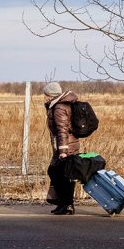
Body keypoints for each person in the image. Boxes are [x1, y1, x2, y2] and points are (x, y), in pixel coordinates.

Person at [43, 81, 78, 215]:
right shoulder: (59, 105)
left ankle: (66, 204)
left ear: (51, 94)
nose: (45, 97)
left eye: (46, 94)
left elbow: (62, 130)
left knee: (56, 173)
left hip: (65, 147)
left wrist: (63, 151)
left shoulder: (59, 108)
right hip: (66, 146)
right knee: (61, 175)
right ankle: (63, 204)